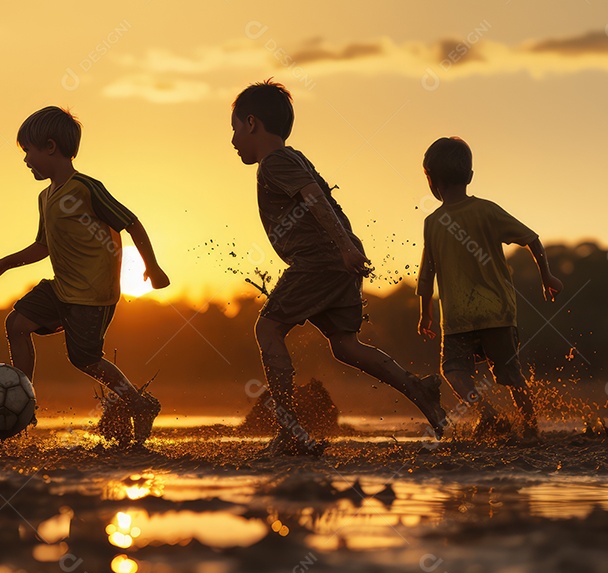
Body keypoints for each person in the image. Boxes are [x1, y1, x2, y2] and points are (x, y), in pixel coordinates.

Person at [230, 80, 448, 456]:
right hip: (338, 258)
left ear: (251, 123)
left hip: (320, 260)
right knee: (345, 346)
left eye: (234, 128)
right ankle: (419, 389)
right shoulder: (295, 157)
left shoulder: (275, 163)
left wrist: (344, 247)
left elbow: (314, 198)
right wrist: (347, 247)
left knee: (267, 327)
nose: (233, 140)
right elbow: (323, 198)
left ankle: (290, 428)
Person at [0, 106, 169, 447]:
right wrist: (5, 262)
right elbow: (43, 246)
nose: (26, 162)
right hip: (61, 288)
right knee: (16, 324)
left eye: (29, 153)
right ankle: (23, 399)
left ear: (50, 147)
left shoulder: (86, 188)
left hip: (92, 294)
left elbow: (130, 221)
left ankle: (139, 404)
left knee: (84, 359)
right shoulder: (46, 197)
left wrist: (152, 266)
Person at [416, 136, 563, 437]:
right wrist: (546, 276)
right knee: (511, 375)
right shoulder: (487, 210)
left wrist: (425, 314)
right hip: (497, 311)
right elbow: (532, 239)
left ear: (431, 181)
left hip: (457, 318)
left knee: (454, 371)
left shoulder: (433, 222)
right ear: (470, 176)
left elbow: (425, 274)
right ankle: (531, 427)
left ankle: (488, 413)